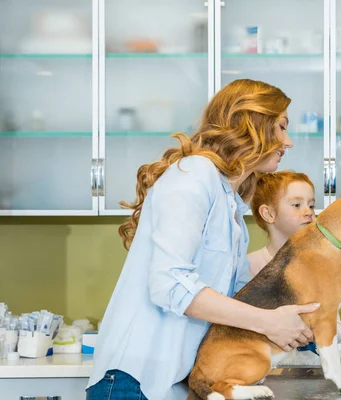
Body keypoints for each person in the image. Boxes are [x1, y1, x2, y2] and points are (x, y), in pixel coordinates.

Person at [86, 79, 321, 400]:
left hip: (170, 379)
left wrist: (292, 321)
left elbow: (232, 300)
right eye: (281, 127)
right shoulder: (193, 177)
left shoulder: (229, 202)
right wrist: (268, 322)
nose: (288, 141)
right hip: (133, 378)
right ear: (253, 126)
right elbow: (169, 284)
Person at [247, 171, 341, 365]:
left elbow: (336, 327)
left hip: (316, 376)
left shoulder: (322, 268)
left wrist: (313, 331)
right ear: (269, 214)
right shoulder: (249, 266)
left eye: (311, 204)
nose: (309, 211)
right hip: (266, 373)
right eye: (296, 205)